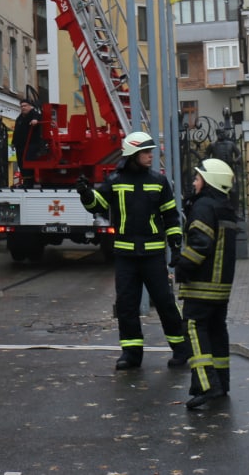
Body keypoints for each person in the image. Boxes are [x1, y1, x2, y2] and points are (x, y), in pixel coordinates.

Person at [77, 130, 190, 371]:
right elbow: (97, 206)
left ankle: (181, 349)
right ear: (133, 155)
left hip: (153, 255)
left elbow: (171, 217)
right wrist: (85, 194)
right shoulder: (116, 181)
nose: (151, 155)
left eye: (151, 151)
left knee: (165, 303)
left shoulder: (159, 182)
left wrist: (176, 247)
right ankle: (131, 354)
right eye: (146, 152)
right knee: (127, 305)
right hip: (126, 257)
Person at [176, 157, 239, 410]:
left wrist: (181, 265)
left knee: (193, 328)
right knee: (216, 331)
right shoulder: (225, 208)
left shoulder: (203, 207)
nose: (194, 181)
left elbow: (200, 245)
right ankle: (221, 383)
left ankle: (206, 385)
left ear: (209, 181)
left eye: (198, 177)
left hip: (202, 284)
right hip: (221, 286)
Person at [12, 98, 42, 185]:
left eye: (25, 106)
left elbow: (38, 118)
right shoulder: (20, 118)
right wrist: (14, 142)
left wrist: (35, 121)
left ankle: (30, 181)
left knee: (28, 162)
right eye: (21, 106)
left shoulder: (34, 114)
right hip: (20, 145)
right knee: (21, 163)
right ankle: (25, 180)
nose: (23, 108)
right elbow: (16, 130)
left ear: (30, 106)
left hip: (31, 144)